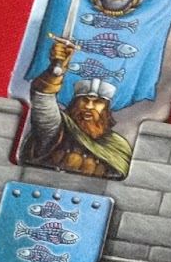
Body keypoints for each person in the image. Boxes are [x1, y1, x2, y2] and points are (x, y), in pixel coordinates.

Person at [20, 39, 133, 179]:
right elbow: (43, 101)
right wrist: (55, 70)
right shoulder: (58, 129)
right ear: (74, 104)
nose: (89, 106)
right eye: (84, 100)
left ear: (106, 110)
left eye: (97, 102)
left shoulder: (119, 146)